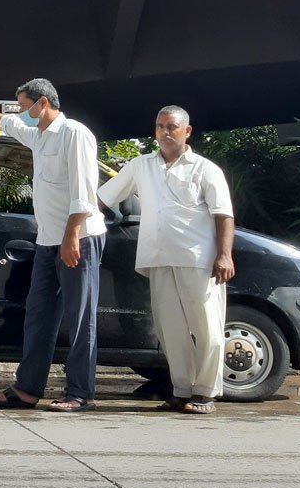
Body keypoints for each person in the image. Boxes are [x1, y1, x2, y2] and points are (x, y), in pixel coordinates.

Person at [0, 80, 107, 412]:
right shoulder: (40, 136)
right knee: (39, 315)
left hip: (78, 238)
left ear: (42, 103)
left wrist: (72, 235)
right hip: (47, 240)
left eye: (24, 106)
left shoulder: (74, 134)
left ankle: (80, 393)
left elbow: (84, 192)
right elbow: (14, 126)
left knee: (80, 319)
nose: (21, 112)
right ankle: (28, 388)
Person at [97, 105, 235, 414]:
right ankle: (182, 390)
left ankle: (205, 393)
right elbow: (103, 198)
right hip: (158, 258)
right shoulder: (141, 165)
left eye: (171, 126)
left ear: (187, 131)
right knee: (169, 330)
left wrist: (225, 255)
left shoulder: (205, 169)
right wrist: (76, 223)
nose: (165, 132)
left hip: (198, 259)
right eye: (160, 126)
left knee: (207, 328)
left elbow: (224, 214)